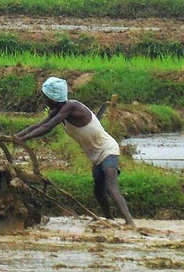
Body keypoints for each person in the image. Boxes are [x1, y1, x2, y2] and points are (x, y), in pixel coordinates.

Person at [15, 77, 135, 227]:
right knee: (99, 191)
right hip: (96, 155)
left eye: (45, 97)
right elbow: (38, 125)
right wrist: (17, 137)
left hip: (108, 149)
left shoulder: (71, 107)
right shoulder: (57, 110)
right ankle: (109, 220)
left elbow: (48, 127)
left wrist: (24, 139)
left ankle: (130, 222)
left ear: (54, 97)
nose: (44, 100)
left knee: (111, 187)